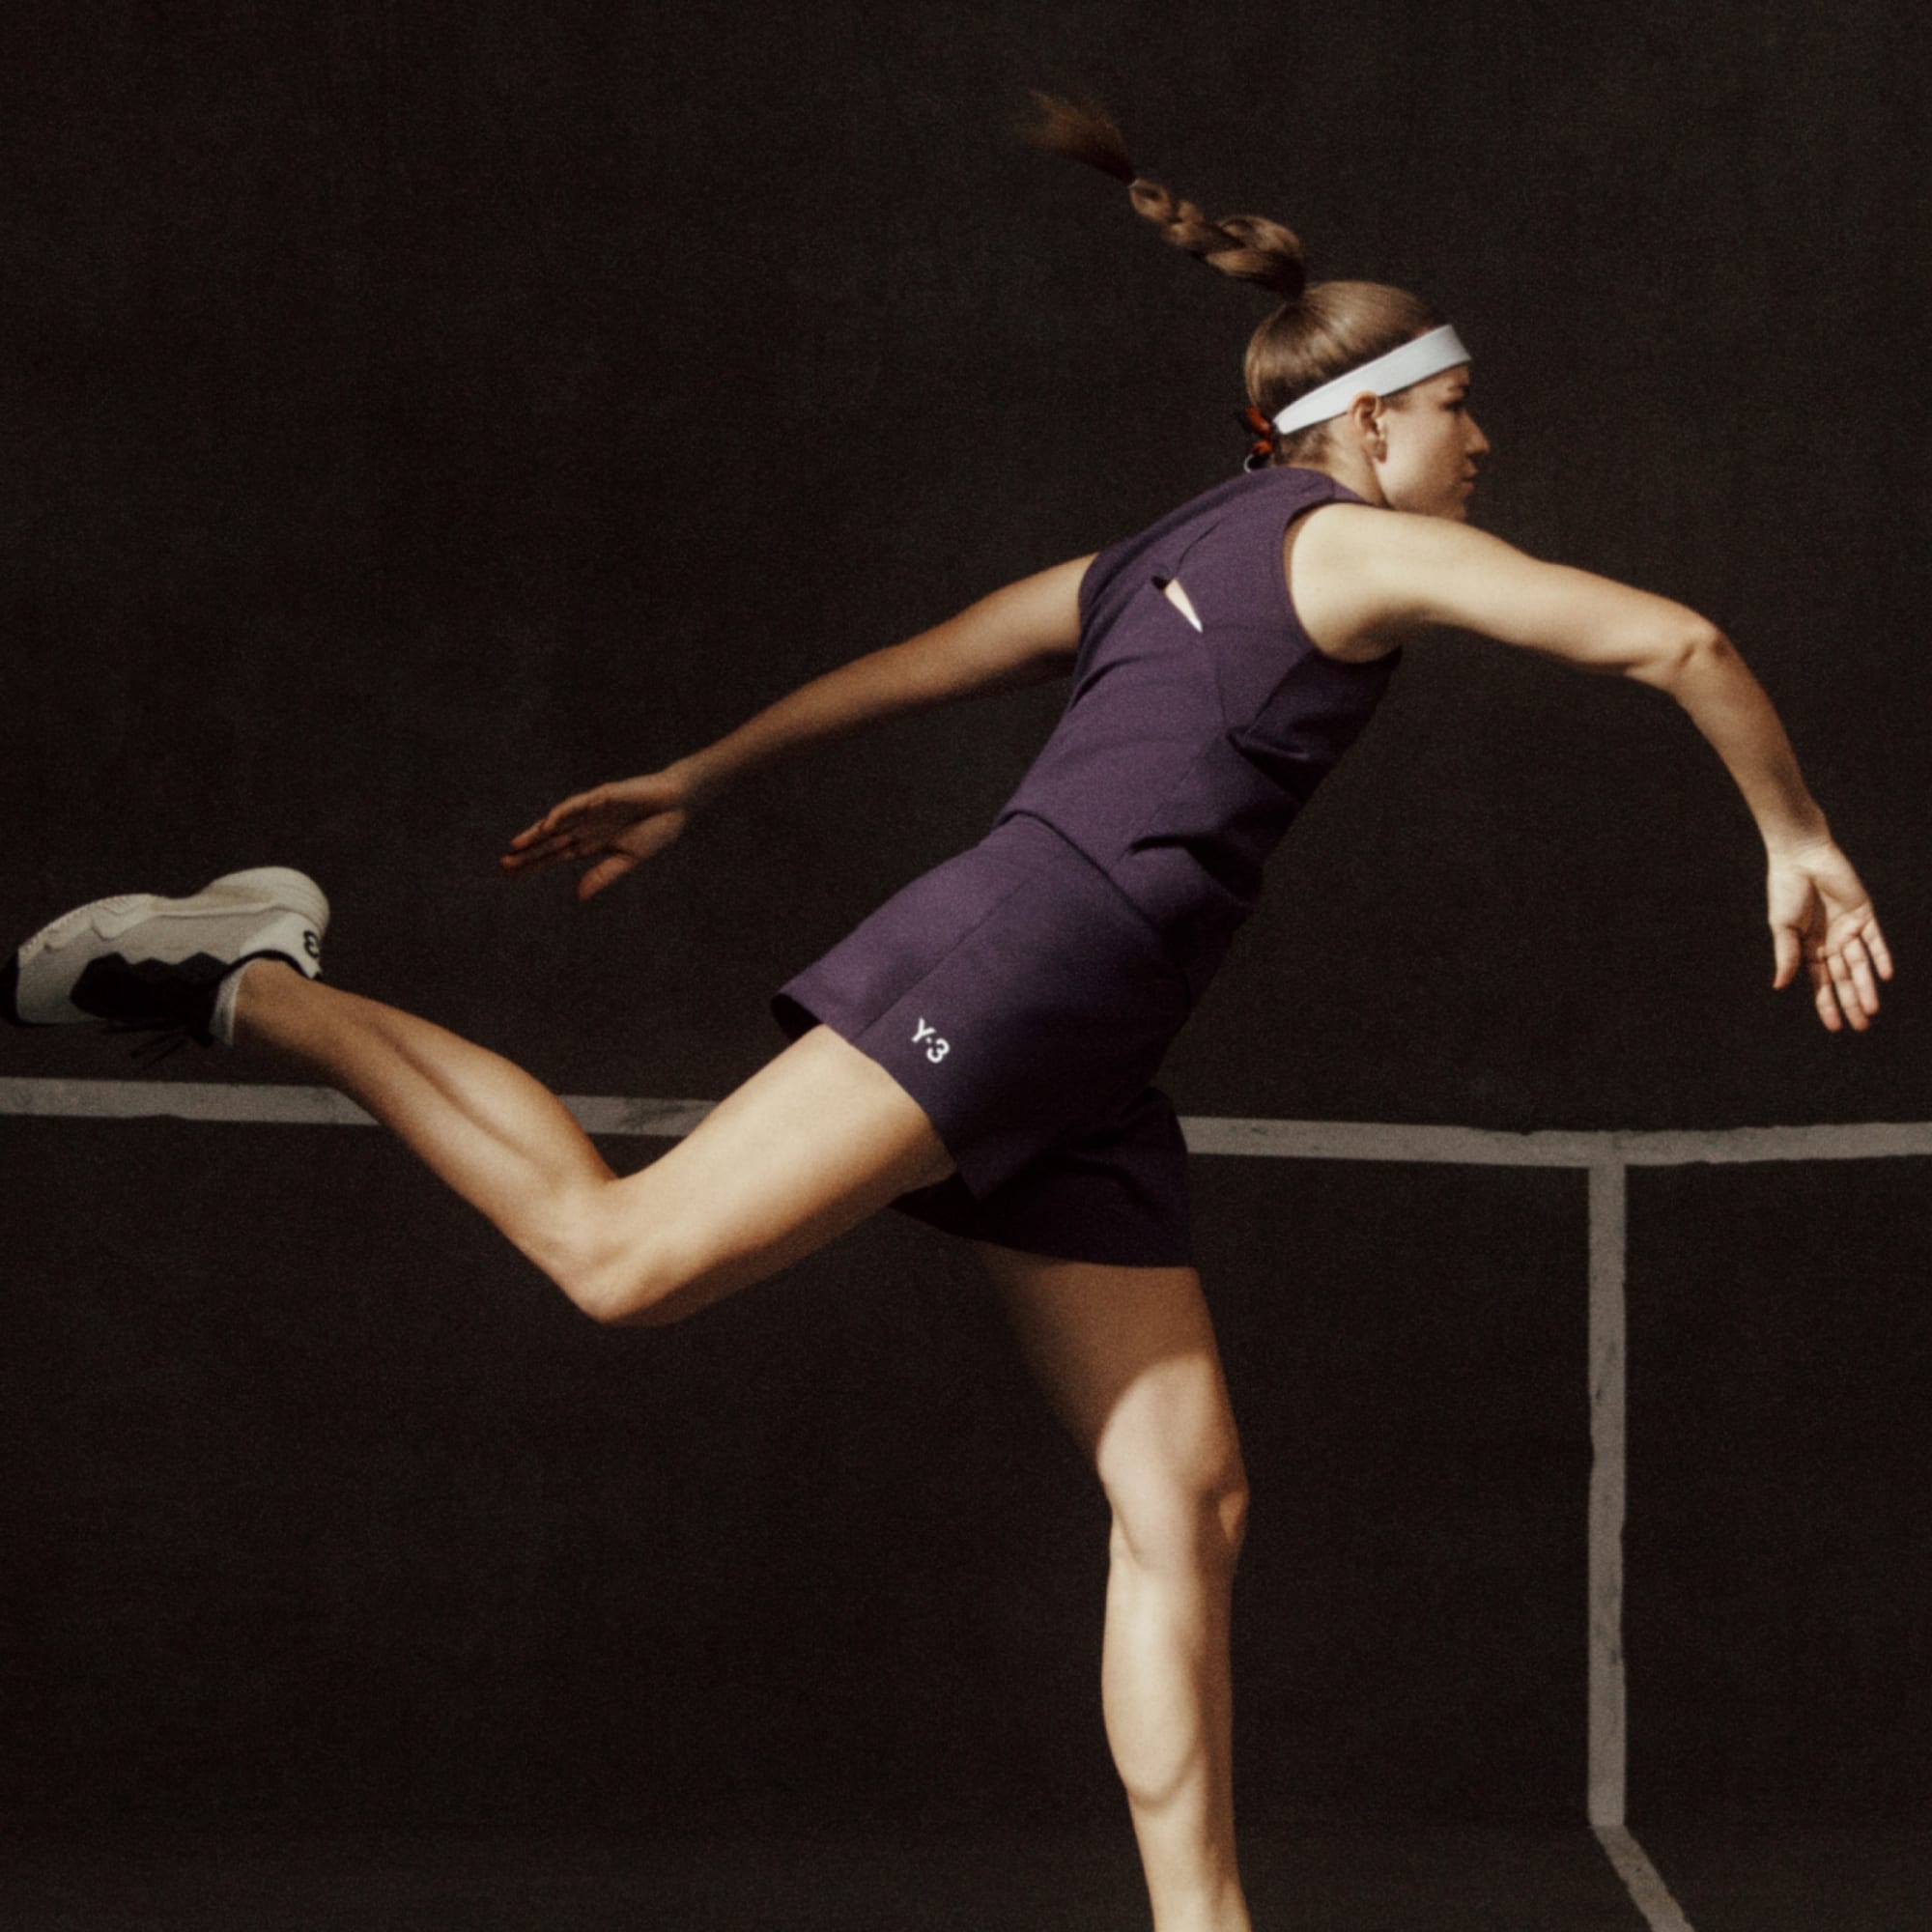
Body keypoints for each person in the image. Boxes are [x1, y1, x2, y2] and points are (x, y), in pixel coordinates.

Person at [6, 98, 1891, 1932]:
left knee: (1184, 1502)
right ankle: (251, 977)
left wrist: (703, 773)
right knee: (618, 1257)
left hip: (1087, 1041)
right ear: (1371, 417)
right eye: (1461, 405)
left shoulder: (1151, 555)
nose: (1484, 439)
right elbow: (1678, 640)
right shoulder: (1352, 539)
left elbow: (931, 659)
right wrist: (1797, 839)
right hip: (1030, 961)